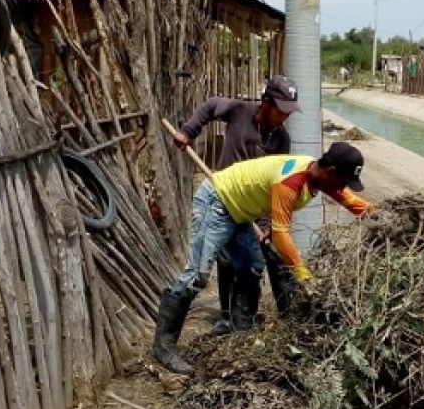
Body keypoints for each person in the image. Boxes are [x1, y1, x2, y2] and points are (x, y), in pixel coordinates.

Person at [153, 142, 374, 375]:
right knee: (197, 274)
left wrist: (380, 216)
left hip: (241, 213)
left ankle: (242, 332)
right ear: (330, 171)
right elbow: (280, 235)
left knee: (251, 267)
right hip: (217, 203)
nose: (342, 187)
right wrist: (304, 275)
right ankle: (164, 347)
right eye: (342, 181)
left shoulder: (320, 176)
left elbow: (350, 201)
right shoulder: (292, 182)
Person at [170, 76, 299, 337]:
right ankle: (226, 317)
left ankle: (243, 321)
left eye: (289, 112)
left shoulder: (281, 141)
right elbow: (209, 107)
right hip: (222, 199)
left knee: (250, 263)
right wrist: (188, 132)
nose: (285, 117)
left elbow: (277, 185)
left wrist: (265, 224)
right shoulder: (239, 111)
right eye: (281, 110)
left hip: (251, 209)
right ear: (266, 102)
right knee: (223, 260)